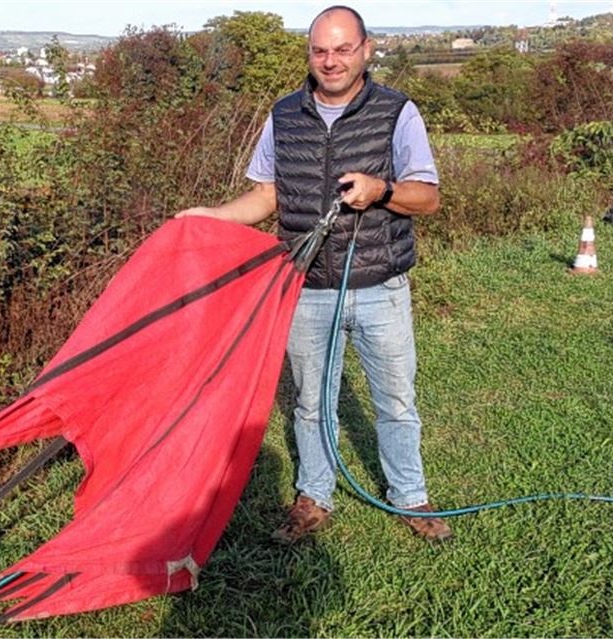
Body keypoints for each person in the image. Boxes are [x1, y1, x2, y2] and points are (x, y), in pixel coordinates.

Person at [176, 5, 451, 543]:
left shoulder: (398, 112)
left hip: (381, 288)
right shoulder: (283, 116)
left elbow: (429, 197)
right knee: (310, 401)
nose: (331, 61)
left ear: (367, 50)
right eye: (321, 50)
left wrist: (383, 190)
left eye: (344, 48)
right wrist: (205, 218)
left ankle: (410, 495)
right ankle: (314, 497)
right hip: (307, 290)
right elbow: (265, 196)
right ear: (309, 54)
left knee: (395, 401)